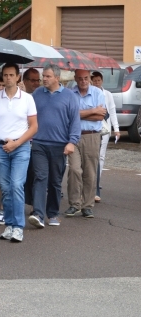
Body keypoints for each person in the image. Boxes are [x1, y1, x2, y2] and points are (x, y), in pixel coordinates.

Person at [0, 63, 37, 242]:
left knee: (17, 185)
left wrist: (16, 143)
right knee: (6, 188)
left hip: (21, 147)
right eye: (6, 75)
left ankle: (18, 226)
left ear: (18, 77)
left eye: (12, 75)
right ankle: (9, 224)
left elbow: (34, 127)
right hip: (0, 147)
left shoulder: (27, 99)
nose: (8, 78)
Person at [29, 65, 80, 227]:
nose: (44, 79)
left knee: (55, 181)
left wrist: (72, 141)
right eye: (43, 76)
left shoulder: (69, 96)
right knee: (40, 177)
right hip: (39, 144)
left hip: (60, 145)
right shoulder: (37, 94)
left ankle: (52, 214)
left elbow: (75, 121)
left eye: (48, 76)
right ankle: (37, 213)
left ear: (57, 78)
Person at [66, 69, 106, 218]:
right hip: (74, 136)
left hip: (92, 136)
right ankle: (74, 204)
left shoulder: (97, 93)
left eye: (86, 78)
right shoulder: (70, 93)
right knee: (74, 170)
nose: (83, 81)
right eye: (80, 78)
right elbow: (69, 115)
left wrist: (80, 113)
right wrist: (92, 110)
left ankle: (87, 206)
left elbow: (100, 116)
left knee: (90, 172)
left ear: (89, 78)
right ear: (75, 79)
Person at [91, 71, 119, 202]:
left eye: (98, 80)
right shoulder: (90, 93)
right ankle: (92, 184)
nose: (96, 83)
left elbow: (112, 111)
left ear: (102, 81)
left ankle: (97, 180)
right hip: (92, 128)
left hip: (105, 128)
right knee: (92, 156)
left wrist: (117, 129)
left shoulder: (107, 94)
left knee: (101, 156)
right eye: (94, 80)